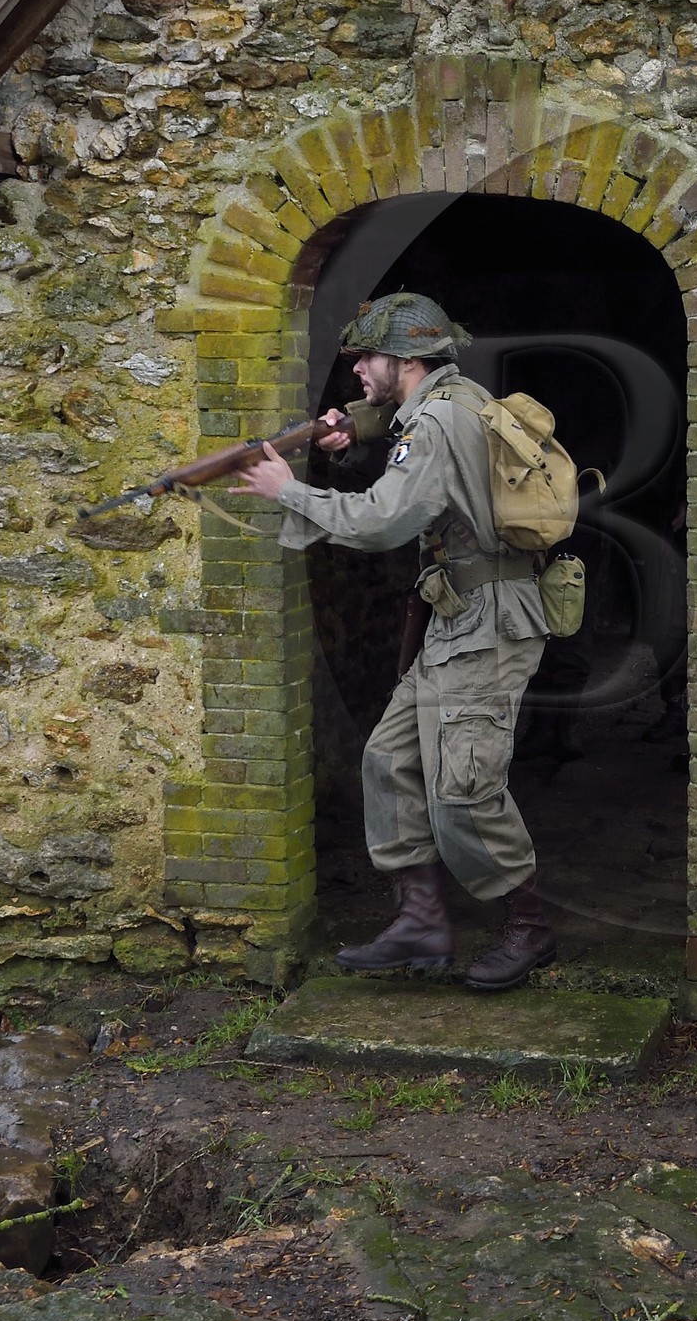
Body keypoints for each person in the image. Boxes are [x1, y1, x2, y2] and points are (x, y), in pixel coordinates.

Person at [232, 292, 555, 990]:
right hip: (459, 617)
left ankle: (528, 928)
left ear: (405, 361)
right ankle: (421, 921)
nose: (357, 374)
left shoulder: (434, 423)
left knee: (465, 787)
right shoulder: (455, 400)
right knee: (387, 759)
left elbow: (386, 522)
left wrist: (289, 490)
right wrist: (353, 447)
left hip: (487, 626)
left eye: (366, 359)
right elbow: (422, 490)